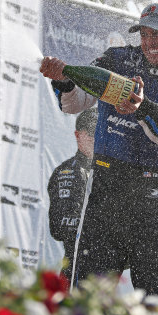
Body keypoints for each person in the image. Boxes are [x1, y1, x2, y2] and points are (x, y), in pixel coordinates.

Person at [39, 2, 158, 297]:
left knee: (156, 311)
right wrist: (65, 81)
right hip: (107, 192)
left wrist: (142, 108)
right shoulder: (117, 59)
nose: (149, 43)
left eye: (157, 35)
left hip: (156, 203)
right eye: (144, 35)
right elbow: (76, 102)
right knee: (85, 303)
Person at [47, 108, 98, 289]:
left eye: (101, 133)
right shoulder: (68, 172)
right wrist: (104, 227)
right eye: (92, 132)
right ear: (78, 135)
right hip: (77, 271)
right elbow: (59, 226)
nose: (96, 138)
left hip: (106, 276)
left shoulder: (111, 172)